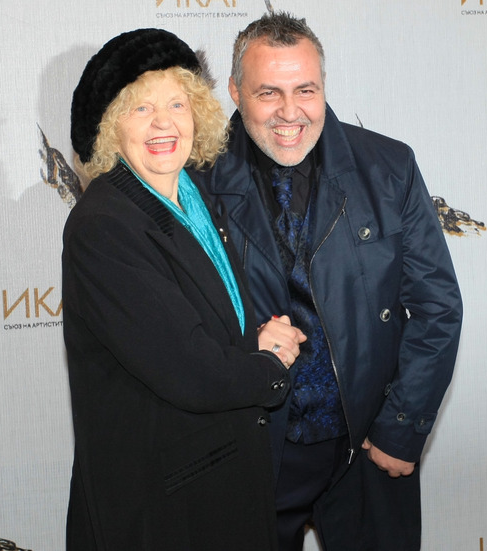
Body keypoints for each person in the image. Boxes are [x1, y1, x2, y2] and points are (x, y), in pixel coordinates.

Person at [196, 12, 464, 551]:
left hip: (366, 446)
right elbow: (179, 324)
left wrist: (401, 427)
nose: (289, 112)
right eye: (268, 93)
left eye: (306, 90)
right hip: (254, 452)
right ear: (235, 93)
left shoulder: (389, 167)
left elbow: (437, 306)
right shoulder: (196, 180)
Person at [62, 28, 306, 551]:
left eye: (177, 103)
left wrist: (255, 338)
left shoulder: (192, 195)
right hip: (163, 504)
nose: (164, 123)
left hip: (221, 482)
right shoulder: (104, 225)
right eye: (141, 108)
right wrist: (270, 365)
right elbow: (189, 370)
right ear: (110, 127)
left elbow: (204, 318)